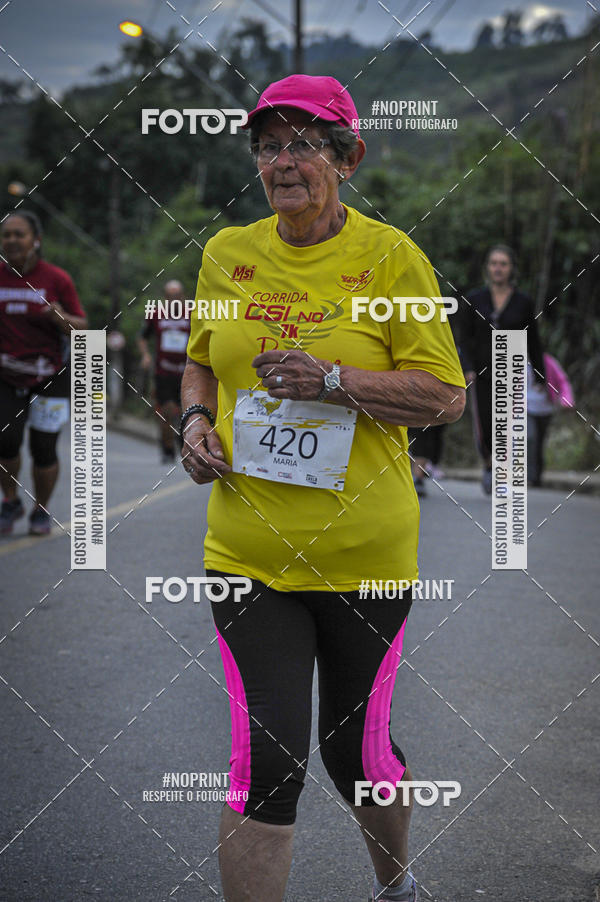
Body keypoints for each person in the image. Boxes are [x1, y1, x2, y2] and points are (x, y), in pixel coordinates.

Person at [180, 74, 466, 902]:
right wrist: (195, 428)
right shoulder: (226, 254)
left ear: (347, 157)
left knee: (359, 754)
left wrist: (334, 380)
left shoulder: (391, 256)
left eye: (304, 142)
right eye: (269, 145)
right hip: (247, 552)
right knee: (266, 756)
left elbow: (447, 394)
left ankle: (396, 883)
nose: (283, 161)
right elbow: (201, 362)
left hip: (364, 558)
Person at [0, 211, 87, 535]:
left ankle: (41, 508)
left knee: (44, 448)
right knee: (5, 440)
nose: (11, 240)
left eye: (18, 234)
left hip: (51, 375)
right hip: (6, 376)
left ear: (35, 240)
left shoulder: (56, 278)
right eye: (6, 235)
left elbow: (82, 327)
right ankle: (10, 501)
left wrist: (59, 316)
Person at [460, 245, 545, 494]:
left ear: (511, 269)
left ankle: (502, 473)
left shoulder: (523, 302)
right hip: (481, 373)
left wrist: (540, 374)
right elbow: (464, 338)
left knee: (508, 424)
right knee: (486, 424)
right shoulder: (475, 299)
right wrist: (467, 368)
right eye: (494, 263)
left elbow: (534, 340)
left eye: (503, 264)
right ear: (488, 267)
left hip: (513, 371)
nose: (498, 268)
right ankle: (488, 464)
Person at [138, 279, 190, 462]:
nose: (174, 300)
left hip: (186, 372)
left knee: (186, 412)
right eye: (170, 296)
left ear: (182, 297)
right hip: (163, 372)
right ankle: (168, 449)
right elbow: (143, 337)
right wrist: (145, 355)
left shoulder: (192, 314)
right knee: (166, 411)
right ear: (165, 298)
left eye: (177, 296)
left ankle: (182, 441)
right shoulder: (156, 314)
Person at [527, 353, 574, 487]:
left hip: (545, 408)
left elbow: (562, 381)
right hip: (524, 408)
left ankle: (537, 476)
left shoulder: (548, 361)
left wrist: (567, 401)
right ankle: (529, 475)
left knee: (539, 442)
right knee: (529, 438)